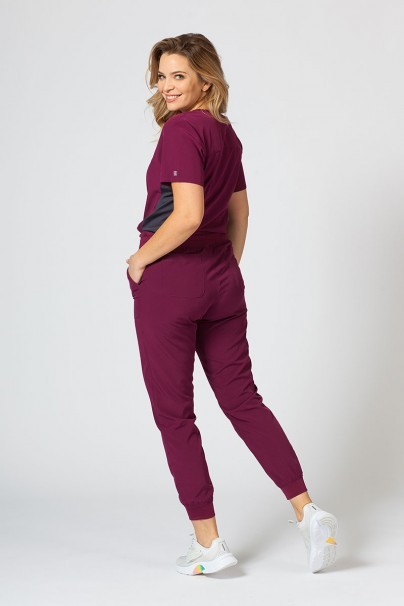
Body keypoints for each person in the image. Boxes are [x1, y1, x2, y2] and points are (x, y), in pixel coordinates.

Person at [125, 33, 338, 575]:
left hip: (171, 283)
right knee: (244, 400)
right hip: (220, 281)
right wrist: (224, 267)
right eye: (162, 76)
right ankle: (308, 512)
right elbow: (239, 212)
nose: (167, 86)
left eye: (179, 75)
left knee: (175, 415)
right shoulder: (225, 132)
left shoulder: (181, 131)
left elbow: (189, 215)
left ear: (206, 80)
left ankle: (209, 546)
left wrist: (139, 260)